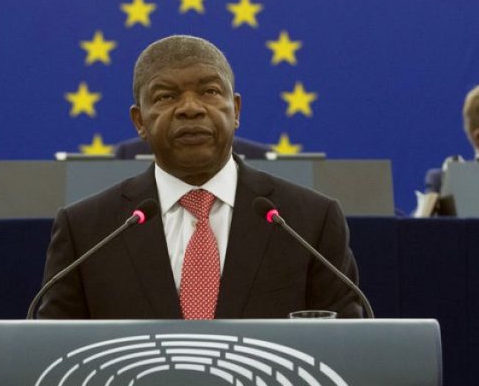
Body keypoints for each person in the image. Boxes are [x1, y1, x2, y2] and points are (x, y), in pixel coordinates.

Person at [37, 35, 363, 319]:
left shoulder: (309, 222)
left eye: (209, 91)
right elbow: (50, 356)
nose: (190, 108)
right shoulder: (86, 232)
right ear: (139, 121)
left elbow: (347, 351)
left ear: (235, 110)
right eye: (166, 96)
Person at [113, 134, 271, 160]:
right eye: (169, 97)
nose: (190, 107)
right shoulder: (128, 153)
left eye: (208, 93)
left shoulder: (260, 156)